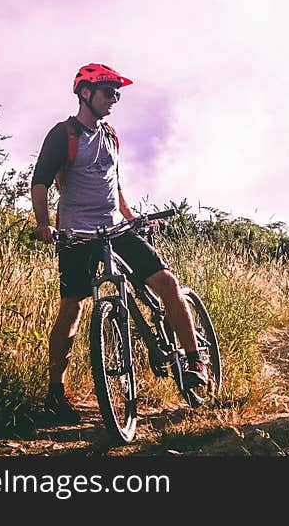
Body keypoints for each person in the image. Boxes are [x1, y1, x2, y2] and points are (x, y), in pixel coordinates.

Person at [30, 62, 207, 424]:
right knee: (72, 309)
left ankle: (194, 362)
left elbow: (114, 183)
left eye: (117, 92)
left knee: (168, 285)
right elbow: (40, 183)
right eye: (109, 92)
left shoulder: (111, 134)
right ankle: (55, 393)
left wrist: (130, 218)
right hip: (78, 233)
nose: (115, 98)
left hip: (117, 228)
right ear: (85, 93)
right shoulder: (63, 134)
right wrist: (44, 225)